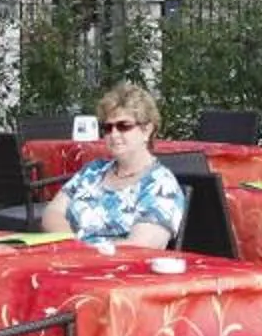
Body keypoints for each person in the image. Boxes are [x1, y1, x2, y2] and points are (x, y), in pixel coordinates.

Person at [41, 83, 188, 249]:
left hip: (117, 270)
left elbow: (141, 247)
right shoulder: (93, 171)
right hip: (71, 260)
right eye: (108, 128)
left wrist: (86, 251)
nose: (114, 134)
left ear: (147, 130)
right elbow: (52, 213)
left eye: (123, 126)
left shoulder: (160, 184)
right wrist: (71, 242)